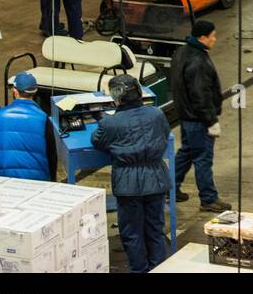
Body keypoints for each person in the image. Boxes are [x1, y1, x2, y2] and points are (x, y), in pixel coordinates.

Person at [91, 74, 171, 272]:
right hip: (156, 179)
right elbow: (165, 133)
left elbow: (97, 141)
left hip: (128, 185)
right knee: (155, 230)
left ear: (116, 98)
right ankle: (159, 268)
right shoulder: (156, 114)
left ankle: (139, 269)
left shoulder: (110, 124)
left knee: (132, 233)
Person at [171, 20, 229, 211]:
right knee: (203, 158)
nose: (215, 39)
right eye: (212, 35)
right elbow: (200, 95)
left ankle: (169, 188)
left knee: (187, 152)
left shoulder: (183, 52)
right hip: (198, 119)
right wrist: (211, 121)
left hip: (187, 116)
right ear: (202, 37)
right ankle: (208, 198)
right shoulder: (198, 61)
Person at [0, 72, 57, 180]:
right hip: (34, 181)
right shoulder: (43, 119)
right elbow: (51, 155)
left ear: (14, 91)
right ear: (35, 92)